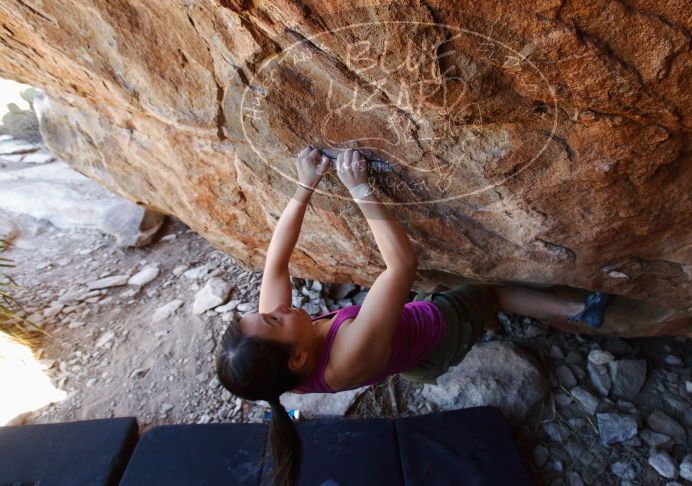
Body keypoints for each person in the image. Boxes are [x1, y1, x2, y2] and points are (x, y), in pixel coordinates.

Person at [216, 145, 614, 486]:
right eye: (272, 319)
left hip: (403, 341)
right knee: (488, 293)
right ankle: (581, 309)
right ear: (298, 358)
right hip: (436, 336)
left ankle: (480, 319)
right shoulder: (344, 359)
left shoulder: (282, 360)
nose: (276, 309)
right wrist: (360, 187)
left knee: (441, 291)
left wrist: (305, 186)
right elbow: (401, 267)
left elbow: (276, 266)